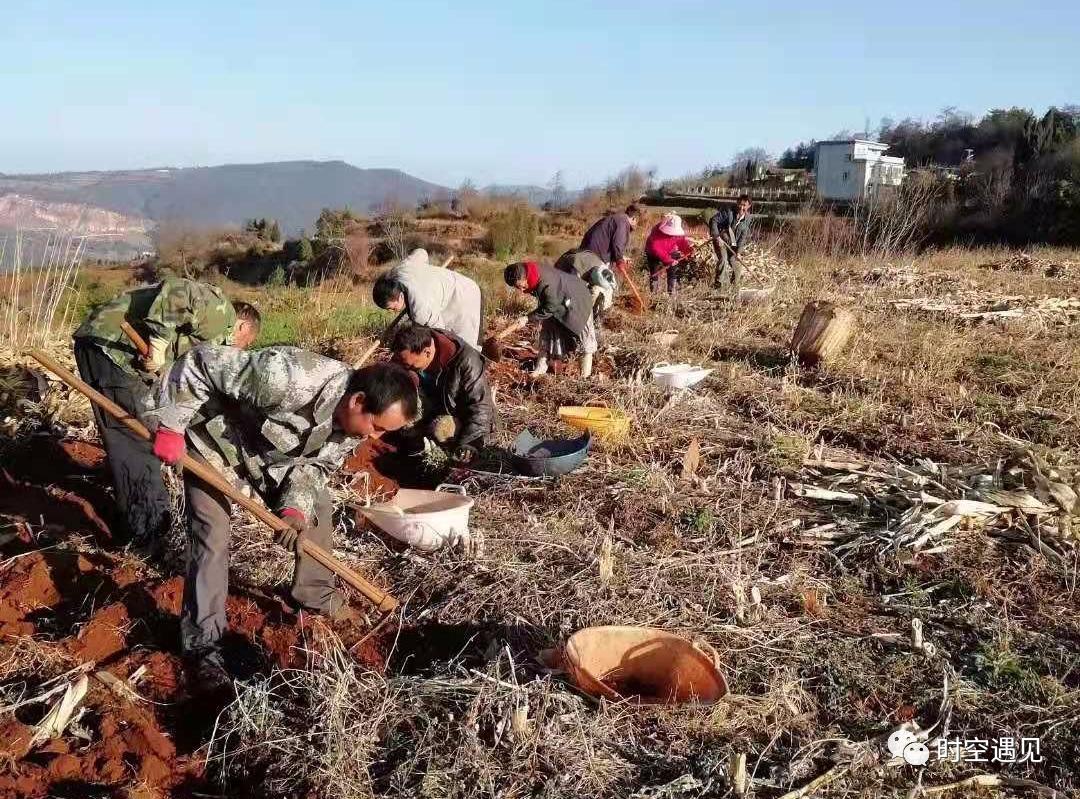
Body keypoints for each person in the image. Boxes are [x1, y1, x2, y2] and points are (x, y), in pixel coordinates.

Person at [144, 348, 418, 686]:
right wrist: (171, 425)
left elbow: (316, 466)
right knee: (211, 535)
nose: (372, 438)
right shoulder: (287, 376)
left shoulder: (352, 429)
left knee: (317, 509)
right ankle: (204, 644)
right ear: (357, 401)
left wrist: (293, 509)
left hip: (272, 462)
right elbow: (199, 363)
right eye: (376, 427)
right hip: (212, 443)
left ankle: (315, 595)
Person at [72, 276, 260, 553]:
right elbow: (177, 289)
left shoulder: (205, 343)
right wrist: (159, 344)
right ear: (243, 326)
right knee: (133, 439)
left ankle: (136, 510)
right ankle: (146, 532)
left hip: (112, 352)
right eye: (245, 344)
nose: (237, 353)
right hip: (109, 345)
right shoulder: (222, 314)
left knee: (136, 431)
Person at [390, 325, 496, 463]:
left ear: (427, 353)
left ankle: (439, 458)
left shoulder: (467, 363)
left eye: (410, 366)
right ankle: (411, 445)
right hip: (434, 404)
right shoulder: (412, 348)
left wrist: (468, 445)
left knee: (442, 429)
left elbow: (481, 409)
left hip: (460, 419)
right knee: (403, 409)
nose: (407, 368)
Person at [501, 261, 597, 379]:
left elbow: (550, 306)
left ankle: (585, 376)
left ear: (525, 277)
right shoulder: (532, 273)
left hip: (579, 299)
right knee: (547, 331)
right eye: (517, 287)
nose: (521, 291)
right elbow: (550, 304)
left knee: (585, 339)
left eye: (521, 286)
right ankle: (540, 369)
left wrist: (527, 318)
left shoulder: (546, 284)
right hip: (560, 299)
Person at [373, 248, 483, 348]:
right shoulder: (401, 269)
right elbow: (421, 252)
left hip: (465, 298)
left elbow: (441, 333)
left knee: (465, 346)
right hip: (453, 287)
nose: (392, 312)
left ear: (400, 296)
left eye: (391, 308)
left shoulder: (421, 309)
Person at [553, 247, 618, 321]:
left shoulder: (603, 268)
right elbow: (571, 293)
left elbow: (609, 287)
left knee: (596, 292)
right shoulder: (577, 271)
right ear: (591, 278)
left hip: (584, 260)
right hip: (563, 268)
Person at [580, 204, 641, 273]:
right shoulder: (623, 222)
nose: (635, 226)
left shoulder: (615, 219)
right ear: (634, 218)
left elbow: (610, 243)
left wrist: (622, 257)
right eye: (636, 223)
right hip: (595, 259)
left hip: (585, 254)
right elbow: (618, 244)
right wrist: (620, 260)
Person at [709, 195, 753, 290]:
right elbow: (714, 220)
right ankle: (718, 286)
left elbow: (743, 236)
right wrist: (717, 237)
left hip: (733, 245)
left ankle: (734, 288)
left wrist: (739, 252)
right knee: (723, 260)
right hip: (721, 241)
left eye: (744, 205)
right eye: (740, 204)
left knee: (737, 264)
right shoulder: (728, 212)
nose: (742, 207)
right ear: (737, 203)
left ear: (749, 206)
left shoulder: (748, 218)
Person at [644, 213, 694, 295]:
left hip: (670, 250)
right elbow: (656, 249)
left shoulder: (678, 233)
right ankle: (654, 294)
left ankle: (671, 293)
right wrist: (669, 260)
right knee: (654, 271)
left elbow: (682, 242)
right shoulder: (657, 231)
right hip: (653, 253)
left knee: (673, 271)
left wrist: (688, 251)